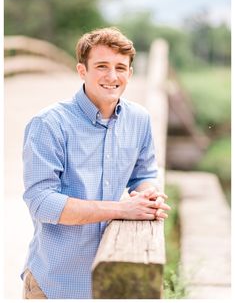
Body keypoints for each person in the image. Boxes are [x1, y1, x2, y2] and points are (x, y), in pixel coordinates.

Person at [21, 27, 171, 299]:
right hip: (56, 282)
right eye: (101, 66)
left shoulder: (140, 119)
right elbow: (41, 202)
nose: (112, 76)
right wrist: (122, 209)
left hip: (114, 282)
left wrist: (149, 195)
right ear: (82, 71)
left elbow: (144, 173)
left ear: (130, 73)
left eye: (120, 68)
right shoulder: (48, 124)